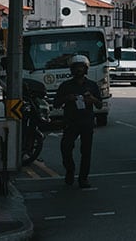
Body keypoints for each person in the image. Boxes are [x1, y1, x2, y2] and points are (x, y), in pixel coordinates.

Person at [51, 54, 101, 188]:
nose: (79, 70)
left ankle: (83, 178)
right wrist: (67, 98)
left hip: (87, 122)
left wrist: (93, 100)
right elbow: (56, 104)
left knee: (86, 151)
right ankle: (70, 170)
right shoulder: (66, 86)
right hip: (70, 122)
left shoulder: (92, 85)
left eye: (81, 67)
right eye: (76, 68)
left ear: (86, 69)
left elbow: (100, 104)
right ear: (72, 70)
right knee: (66, 148)